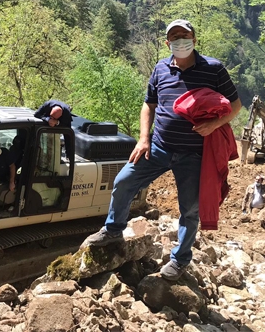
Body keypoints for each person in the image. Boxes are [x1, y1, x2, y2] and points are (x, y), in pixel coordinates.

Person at [81, 19, 242, 281]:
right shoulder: (161, 68)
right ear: (168, 43)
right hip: (158, 147)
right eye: (174, 36)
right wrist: (143, 138)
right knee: (123, 181)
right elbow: (149, 105)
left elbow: (236, 106)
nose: (180, 40)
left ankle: (180, 259)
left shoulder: (213, 69)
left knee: (189, 209)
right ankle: (112, 230)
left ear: (194, 39)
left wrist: (214, 124)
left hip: (194, 154)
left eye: (185, 35)